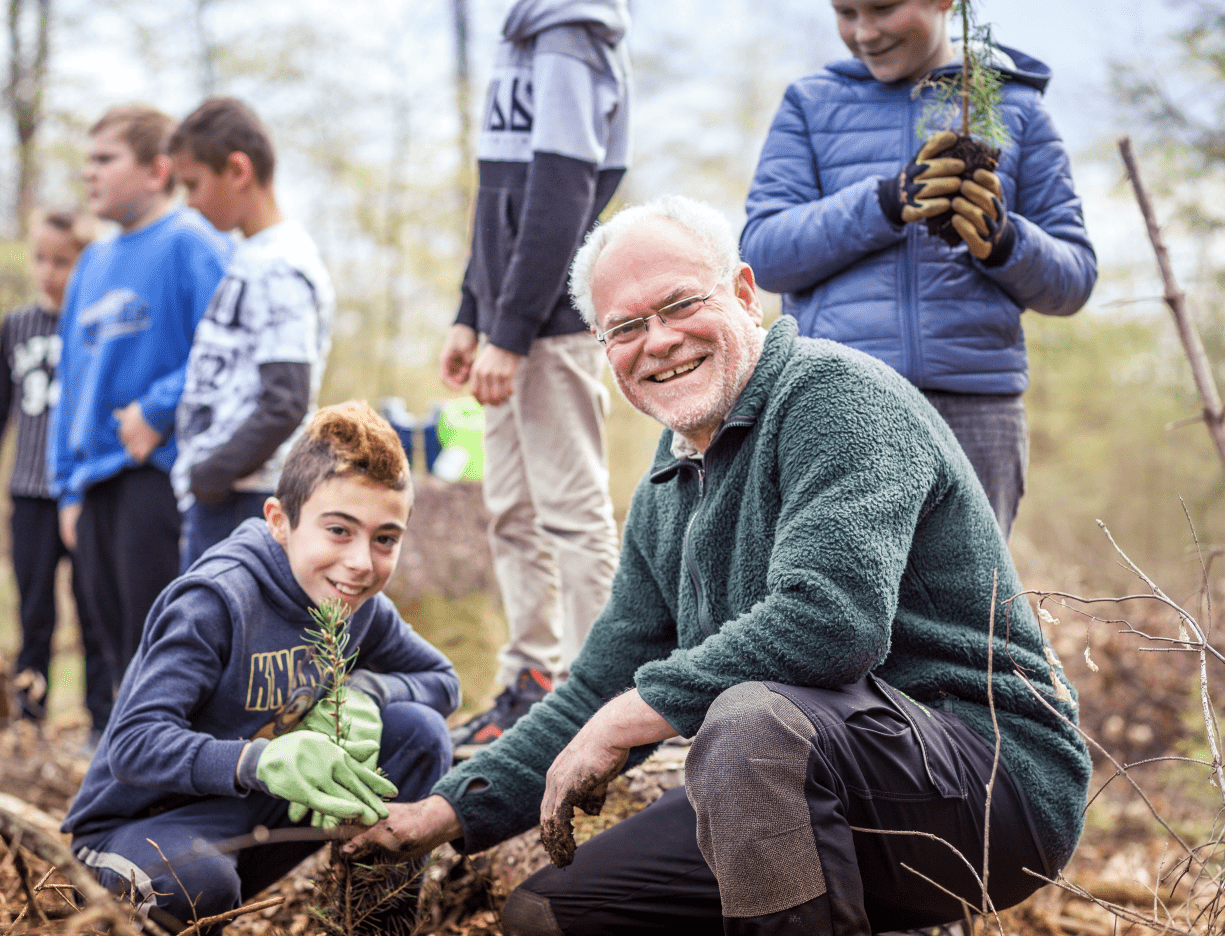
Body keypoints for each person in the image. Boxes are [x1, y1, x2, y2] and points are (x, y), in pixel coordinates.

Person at [346, 197, 1091, 936]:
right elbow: (600, 687)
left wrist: (627, 720)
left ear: (742, 292)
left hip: (992, 786)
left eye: (678, 306)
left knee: (749, 723)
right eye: (627, 328)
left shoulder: (836, 399)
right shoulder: (668, 488)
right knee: (552, 915)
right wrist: (440, 813)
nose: (659, 341)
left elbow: (831, 623)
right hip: (805, 780)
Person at [63, 402, 459, 934]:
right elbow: (134, 742)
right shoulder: (216, 601)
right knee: (198, 884)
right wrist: (260, 760)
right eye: (339, 530)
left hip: (252, 816)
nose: (362, 561)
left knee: (420, 733)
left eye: (385, 538)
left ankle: (372, 925)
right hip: (138, 827)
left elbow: (443, 682)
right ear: (280, 521)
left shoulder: (360, 605)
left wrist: (365, 692)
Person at [741, 0, 1096, 538]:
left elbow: (1074, 280)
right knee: (841, 605)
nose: (865, 32)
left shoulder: (1015, 109)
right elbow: (764, 253)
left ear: (943, 2)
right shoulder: (810, 105)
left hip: (977, 411)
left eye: (883, 9)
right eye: (846, 12)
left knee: (970, 609)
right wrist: (884, 203)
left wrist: (1004, 241)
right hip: (839, 403)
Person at [442, 0, 631, 749]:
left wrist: (512, 328)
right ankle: (533, 681)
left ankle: (598, 694)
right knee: (510, 511)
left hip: (547, 325)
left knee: (570, 512)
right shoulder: (520, 35)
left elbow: (561, 196)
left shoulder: (571, 31)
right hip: (506, 321)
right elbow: (500, 202)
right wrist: (471, 309)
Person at [49, 104, 232, 742]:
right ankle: (109, 777)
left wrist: (159, 409)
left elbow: (228, 347)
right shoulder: (92, 263)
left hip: (155, 477)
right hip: (94, 481)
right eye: (87, 160)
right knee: (102, 650)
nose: (89, 174)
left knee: (155, 645)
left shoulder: (193, 241)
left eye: (105, 160)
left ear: (157, 171)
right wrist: (65, 485)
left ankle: (165, 783)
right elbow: (68, 382)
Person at [168, 97, 335, 569]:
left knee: (223, 641)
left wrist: (211, 475)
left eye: (194, 184)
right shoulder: (254, 257)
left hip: (248, 500)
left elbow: (286, 398)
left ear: (237, 170)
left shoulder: (279, 266)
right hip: (226, 498)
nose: (191, 201)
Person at [0, 209, 100, 722]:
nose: (48, 272)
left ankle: (102, 721)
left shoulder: (95, 323)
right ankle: (28, 721)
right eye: (40, 259)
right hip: (29, 494)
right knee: (34, 612)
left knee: (94, 614)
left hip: (88, 493)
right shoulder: (17, 324)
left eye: (61, 261)